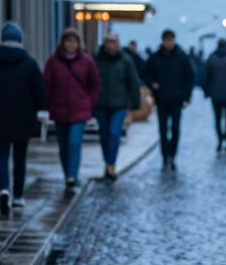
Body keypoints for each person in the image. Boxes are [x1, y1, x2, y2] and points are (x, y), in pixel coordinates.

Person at [0, 21, 45, 215]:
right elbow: (39, 90)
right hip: (23, 117)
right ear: (20, 40)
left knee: (1, 155)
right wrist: (41, 111)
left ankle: (4, 189)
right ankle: (18, 196)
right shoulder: (29, 63)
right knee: (20, 157)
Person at [43, 27, 100, 192]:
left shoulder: (86, 62)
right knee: (63, 145)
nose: (70, 45)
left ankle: (72, 176)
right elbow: (47, 85)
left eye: (73, 41)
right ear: (63, 43)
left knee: (74, 142)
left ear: (78, 43)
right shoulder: (53, 62)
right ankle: (67, 172)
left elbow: (94, 84)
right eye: (68, 41)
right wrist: (47, 105)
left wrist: (89, 102)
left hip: (79, 109)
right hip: (60, 109)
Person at [145, 29, 195, 171]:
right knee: (162, 130)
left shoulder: (182, 57)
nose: (169, 43)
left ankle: (172, 155)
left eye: (171, 40)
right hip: (161, 99)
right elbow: (146, 73)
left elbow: (190, 77)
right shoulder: (155, 58)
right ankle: (164, 155)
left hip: (177, 100)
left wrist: (186, 97)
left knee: (175, 130)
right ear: (163, 41)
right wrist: (152, 84)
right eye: (167, 40)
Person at [94, 31, 141, 180]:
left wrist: (134, 103)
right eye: (108, 41)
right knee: (104, 135)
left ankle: (111, 165)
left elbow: (133, 82)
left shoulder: (125, 61)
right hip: (100, 104)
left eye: (113, 41)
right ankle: (107, 162)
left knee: (114, 134)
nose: (110, 44)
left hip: (119, 104)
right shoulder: (96, 59)